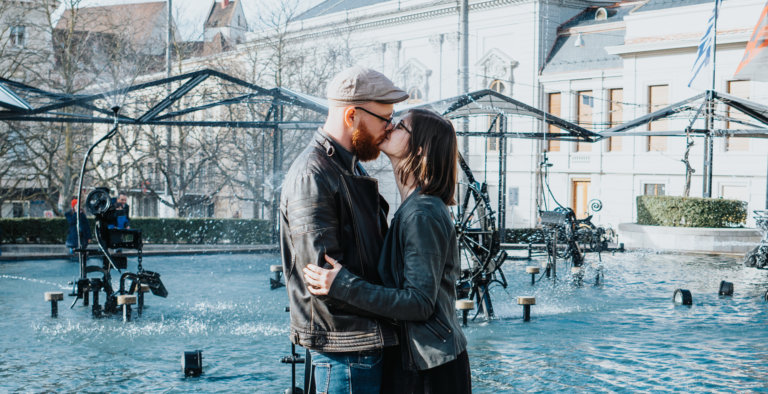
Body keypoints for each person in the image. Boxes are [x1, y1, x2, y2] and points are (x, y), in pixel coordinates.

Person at [303, 109, 472, 393]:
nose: (390, 126)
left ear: (419, 150)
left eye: (401, 126)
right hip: (424, 361)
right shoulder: (416, 207)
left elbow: (418, 303)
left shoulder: (422, 213)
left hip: (429, 371)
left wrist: (344, 286)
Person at [279, 66, 409, 393]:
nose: (388, 128)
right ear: (352, 115)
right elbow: (322, 274)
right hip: (345, 351)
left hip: (357, 346)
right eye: (383, 118)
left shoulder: (345, 165)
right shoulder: (313, 174)